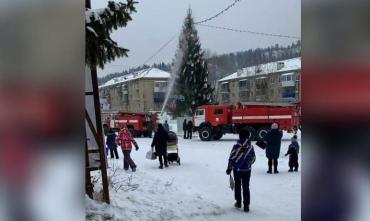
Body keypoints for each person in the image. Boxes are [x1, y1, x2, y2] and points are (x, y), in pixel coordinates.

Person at [226, 129, 256, 212]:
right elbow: (254, 158)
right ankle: (246, 206)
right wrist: (248, 164)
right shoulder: (251, 147)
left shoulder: (236, 146)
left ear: (240, 136)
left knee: (238, 186)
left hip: (237, 170)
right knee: (246, 187)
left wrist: (229, 168)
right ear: (248, 136)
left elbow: (231, 158)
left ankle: (238, 202)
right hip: (247, 170)